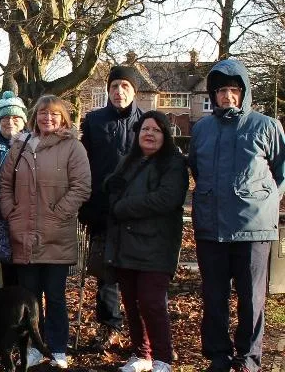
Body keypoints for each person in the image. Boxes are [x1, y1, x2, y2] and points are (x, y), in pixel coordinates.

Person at [189, 59, 285, 372]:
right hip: (210, 228)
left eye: (233, 90)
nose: (227, 96)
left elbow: (282, 171)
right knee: (214, 298)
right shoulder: (201, 128)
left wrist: (266, 202)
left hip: (253, 229)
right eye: (221, 91)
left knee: (252, 299)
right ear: (213, 95)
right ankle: (218, 355)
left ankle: (248, 359)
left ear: (243, 93)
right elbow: (196, 169)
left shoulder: (266, 126)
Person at [0, 95, 91, 369]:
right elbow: (5, 184)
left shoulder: (73, 147)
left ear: (62, 117)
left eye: (53, 114)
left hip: (56, 236)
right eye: (42, 113)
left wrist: (58, 213)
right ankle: (31, 349)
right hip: (24, 234)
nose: (47, 118)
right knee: (28, 300)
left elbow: (82, 187)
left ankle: (58, 347)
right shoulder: (21, 145)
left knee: (55, 296)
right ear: (34, 116)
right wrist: (10, 213)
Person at [102, 111, 188, 372]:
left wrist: (124, 207)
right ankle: (142, 354)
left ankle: (163, 359)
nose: (149, 134)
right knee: (130, 301)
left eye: (156, 130)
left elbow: (166, 199)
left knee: (151, 302)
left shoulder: (173, 163)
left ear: (166, 135)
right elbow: (113, 188)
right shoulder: (129, 161)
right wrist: (109, 185)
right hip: (125, 244)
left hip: (156, 245)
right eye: (145, 129)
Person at [79, 65, 143, 349]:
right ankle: (108, 325)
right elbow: (82, 164)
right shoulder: (93, 122)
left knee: (137, 272)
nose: (119, 92)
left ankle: (143, 333)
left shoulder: (147, 122)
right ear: (108, 90)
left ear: (134, 91)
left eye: (125, 87)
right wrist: (87, 201)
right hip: (102, 209)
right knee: (105, 273)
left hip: (137, 211)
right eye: (115, 86)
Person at [0, 91, 28, 288]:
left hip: (22, 215)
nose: (10, 122)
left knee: (19, 274)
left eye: (15, 117)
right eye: (5, 117)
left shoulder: (32, 144)